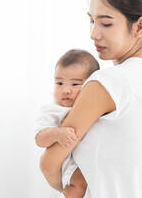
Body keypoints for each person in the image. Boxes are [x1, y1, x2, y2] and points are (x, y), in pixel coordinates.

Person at [39, 0, 142, 198]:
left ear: (140, 26)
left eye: (106, 23)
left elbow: (48, 164)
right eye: (91, 20)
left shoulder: (108, 82)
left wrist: (71, 187)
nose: (93, 33)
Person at [35, 49, 100, 197]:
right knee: (79, 185)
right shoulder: (53, 110)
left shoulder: (94, 105)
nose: (65, 90)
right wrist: (57, 134)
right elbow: (39, 138)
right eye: (59, 83)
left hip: (91, 162)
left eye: (75, 84)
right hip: (68, 165)